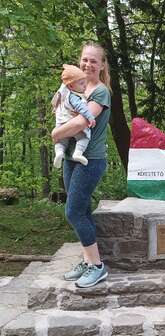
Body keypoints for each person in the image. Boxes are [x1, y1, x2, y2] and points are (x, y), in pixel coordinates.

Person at [51, 41, 111, 288]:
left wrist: (55, 135)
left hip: (91, 159)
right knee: (82, 209)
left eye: (93, 61)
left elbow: (80, 123)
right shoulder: (72, 88)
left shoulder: (100, 92)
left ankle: (97, 266)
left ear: (101, 65)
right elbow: (59, 107)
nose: (88, 64)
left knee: (73, 211)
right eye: (84, 59)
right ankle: (88, 262)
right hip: (70, 158)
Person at [52, 64, 96, 168]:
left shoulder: (63, 95)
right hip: (71, 124)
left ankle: (59, 153)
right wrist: (90, 117)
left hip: (61, 125)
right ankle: (78, 153)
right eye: (81, 84)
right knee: (84, 137)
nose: (85, 86)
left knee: (61, 141)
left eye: (85, 83)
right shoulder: (74, 96)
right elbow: (81, 108)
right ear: (71, 86)